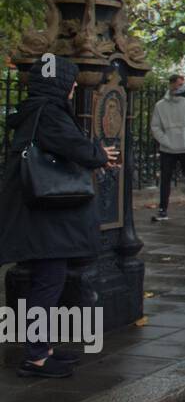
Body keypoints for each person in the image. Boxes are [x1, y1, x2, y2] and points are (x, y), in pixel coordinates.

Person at [0, 57, 119, 377]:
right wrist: (98, 155)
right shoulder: (49, 112)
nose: (75, 85)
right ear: (58, 83)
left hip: (41, 214)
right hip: (44, 217)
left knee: (48, 280)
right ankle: (36, 357)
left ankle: (44, 349)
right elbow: (74, 146)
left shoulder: (39, 111)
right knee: (47, 282)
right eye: (70, 80)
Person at [149, 74, 185, 222]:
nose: (180, 87)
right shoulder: (160, 105)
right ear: (171, 85)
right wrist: (166, 141)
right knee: (165, 179)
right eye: (178, 84)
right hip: (168, 149)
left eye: (182, 84)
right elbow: (155, 127)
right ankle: (162, 210)